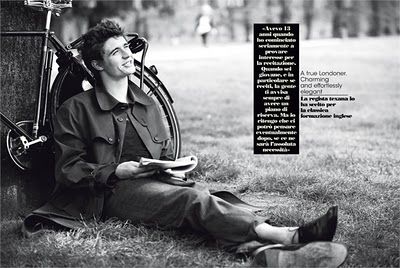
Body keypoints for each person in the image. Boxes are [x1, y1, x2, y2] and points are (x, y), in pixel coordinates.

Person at [23, 20, 347, 267]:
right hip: (108, 193)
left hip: (153, 182)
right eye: (115, 52)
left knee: (197, 197)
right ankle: (287, 235)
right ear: (96, 64)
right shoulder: (76, 109)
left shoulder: (146, 102)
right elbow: (68, 171)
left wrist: (172, 169)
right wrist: (117, 171)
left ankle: (260, 252)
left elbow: (163, 152)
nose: (127, 56)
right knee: (193, 201)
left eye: (127, 48)